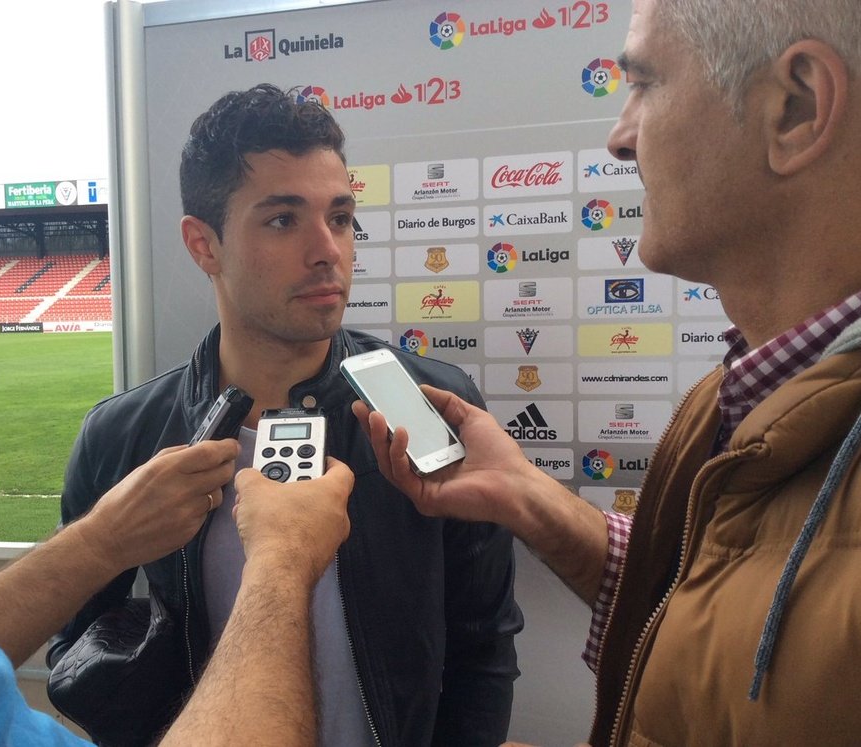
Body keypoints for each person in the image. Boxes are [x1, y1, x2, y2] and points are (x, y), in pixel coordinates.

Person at [356, 0, 861, 745]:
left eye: (646, 84)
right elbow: (705, 623)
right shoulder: (728, 399)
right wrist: (526, 496)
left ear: (796, 107)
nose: (619, 138)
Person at [49, 83, 522, 747]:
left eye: (340, 216)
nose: (327, 248)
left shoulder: (429, 405)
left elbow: (482, 642)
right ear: (203, 245)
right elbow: (79, 648)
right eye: (283, 219)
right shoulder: (122, 436)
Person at [0, 444, 355, 746]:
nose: (329, 263)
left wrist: (102, 541)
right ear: (207, 262)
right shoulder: (117, 426)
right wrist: (283, 557)